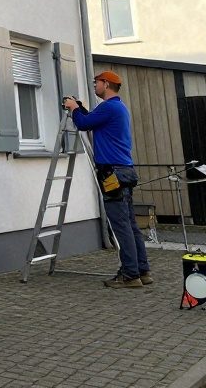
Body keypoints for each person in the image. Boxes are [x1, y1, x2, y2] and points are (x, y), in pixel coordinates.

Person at [64, 70, 152, 289]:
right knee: (130, 224)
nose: (94, 85)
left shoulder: (108, 107)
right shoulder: (118, 108)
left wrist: (73, 108)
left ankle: (130, 275)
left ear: (106, 84)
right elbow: (91, 119)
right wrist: (80, 108)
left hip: (112, 173)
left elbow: (83, 124)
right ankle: (142, 270)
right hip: (124, 171)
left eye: (96, 82)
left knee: (120, 226)